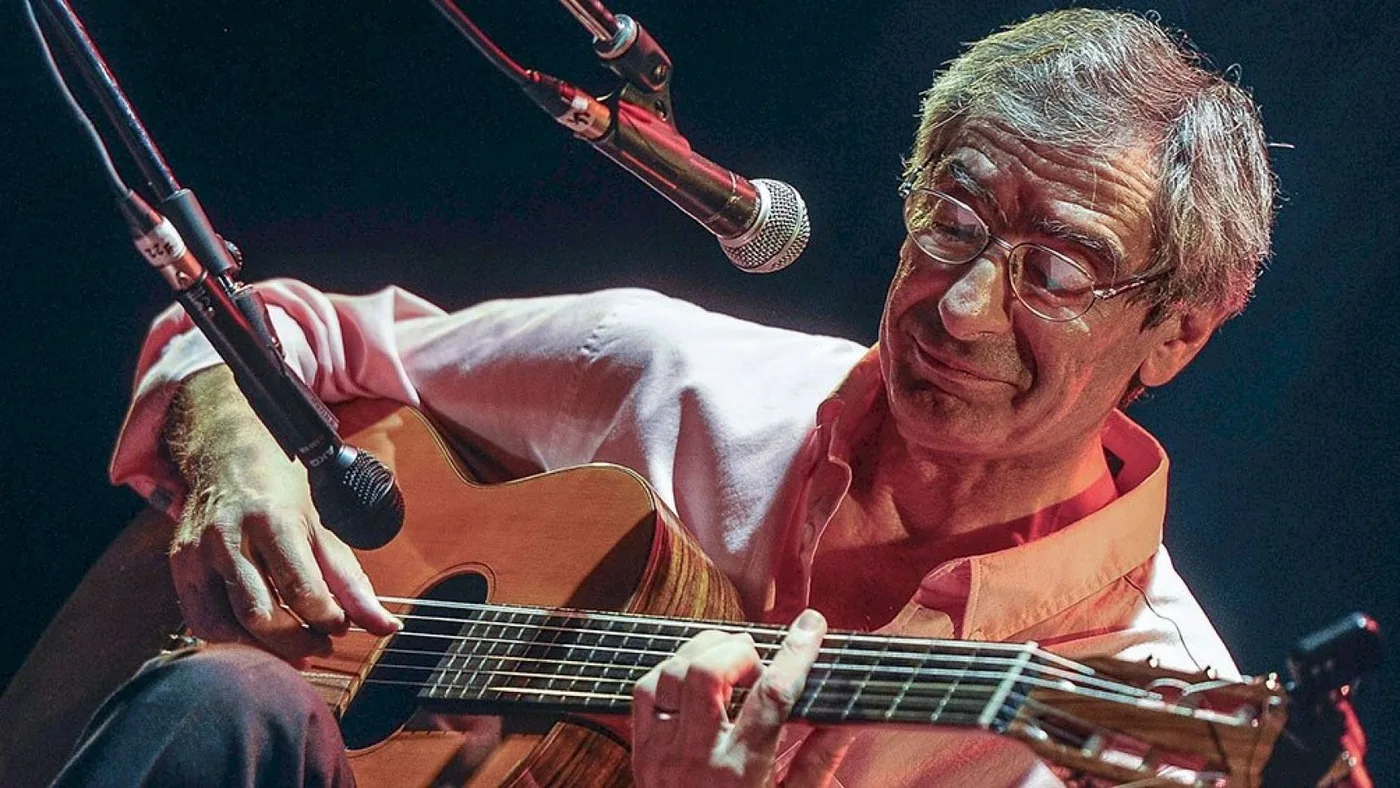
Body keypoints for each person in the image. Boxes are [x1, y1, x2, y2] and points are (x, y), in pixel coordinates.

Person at [54, 7, 1353, 787]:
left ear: (1176, 332)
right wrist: (232, 444)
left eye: (1056, 269)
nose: (962, 307)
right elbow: (256, 335)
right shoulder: (667, 376)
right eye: (949, 221)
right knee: (230, 704)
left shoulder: (1149, 689)